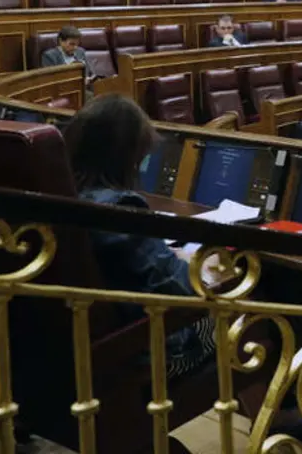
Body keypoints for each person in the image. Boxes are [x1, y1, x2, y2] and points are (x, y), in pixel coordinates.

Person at [63, 94, 217, 379]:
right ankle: (280, 411)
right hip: (149, 352)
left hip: (74, 350)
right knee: (248, 315)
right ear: (123, 157)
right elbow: (179, 288)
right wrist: (198, 268)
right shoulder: (119, 209)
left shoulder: (63, 194)